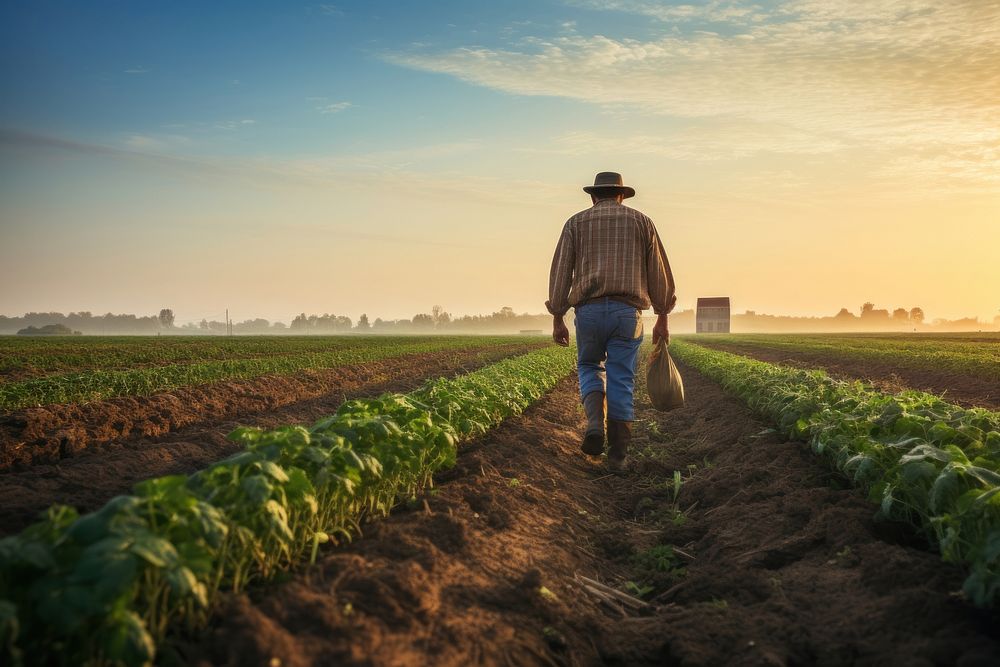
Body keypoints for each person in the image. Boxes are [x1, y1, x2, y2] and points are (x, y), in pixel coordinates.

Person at [546, 172, 677, 471]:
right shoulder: (642, 222)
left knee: (590, 366)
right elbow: (659, 273)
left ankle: (595, 423)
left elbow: (561, 272)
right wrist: (662, 316)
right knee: (621, 378)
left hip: (589, 313)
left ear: (594, 196)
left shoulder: (575, 223)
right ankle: (618, 456)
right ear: (621, 195)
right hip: (627, 314)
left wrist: (557, 316)